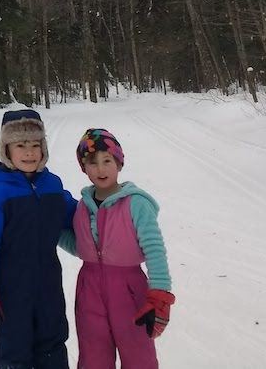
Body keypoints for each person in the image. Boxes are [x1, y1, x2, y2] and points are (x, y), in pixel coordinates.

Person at [0, 108, 78, 369]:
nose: (29, 152)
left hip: (49, 286)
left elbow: (75, 216)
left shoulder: (52, 185)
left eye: (34, 144)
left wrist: (107, 214)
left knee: (53, 342)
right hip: (11, 290)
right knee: (13, 349)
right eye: (20, 145)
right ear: (7, 151)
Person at [65, 128, 174, 369]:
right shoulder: (83, 206)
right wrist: (52, 232)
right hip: (89, 290)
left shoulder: (136, 204)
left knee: (138, 355)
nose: (101, 169)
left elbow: (155, 249)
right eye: (92, 163)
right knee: (94, 355)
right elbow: (82, 247)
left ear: (119, 163)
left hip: (129, 290)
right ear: (84, 168)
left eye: (107, 161)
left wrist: (160, 295)